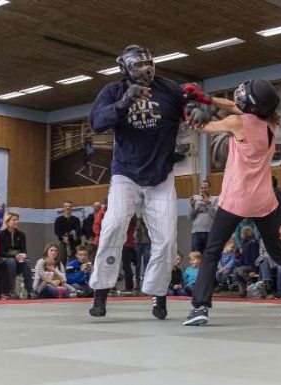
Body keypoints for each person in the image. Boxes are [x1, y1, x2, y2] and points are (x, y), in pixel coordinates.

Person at [182, 79, 281, 326]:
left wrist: (190, 112)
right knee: (280, 254)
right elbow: (234, 105)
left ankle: (199, 307)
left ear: (252, 106)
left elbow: (204, 127)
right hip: (263, 200)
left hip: (237, 198)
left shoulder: (238, 123)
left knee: (211, 253)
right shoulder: (272, 124)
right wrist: (206, 100)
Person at [87, 44, 185, 320]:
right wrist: (123, 103)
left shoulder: (169, 90)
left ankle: (158, 294)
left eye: (149, 63)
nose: (146, 69)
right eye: (138, 65)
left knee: (166, 239)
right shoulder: (113, 91)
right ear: (125, 69)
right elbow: (95, 122)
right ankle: (101, 291)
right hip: (125, 174)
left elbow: (191, 111)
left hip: (161, 175)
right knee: (114, 225)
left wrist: (199, 114)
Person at [0, 212, 33, 299]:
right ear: (7, 222)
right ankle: (11, 290)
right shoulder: (0, 234)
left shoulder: (21, 235)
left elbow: (24, 250)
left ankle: (30, 291)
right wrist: (14, 256)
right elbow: (1, 252)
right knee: (11, 262)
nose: (16, 222)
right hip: (5, 260)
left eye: (17, 220)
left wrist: (23, 256)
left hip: (18, 259)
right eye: (14, 220)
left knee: (26, 263)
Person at [189, 180, 218, 254]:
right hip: (196, 231)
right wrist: (192, 206)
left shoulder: (215, 199)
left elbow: (215, 215)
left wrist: (208, 203)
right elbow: (191, 217)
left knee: (209, 254)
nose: (203, 190)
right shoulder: (196, 199)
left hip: (209, 231)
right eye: (202, 188)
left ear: (209, 188)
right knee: (196, 255)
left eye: (205, 188)